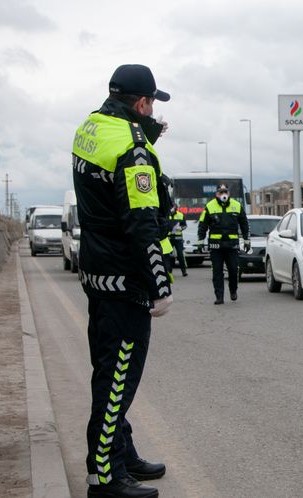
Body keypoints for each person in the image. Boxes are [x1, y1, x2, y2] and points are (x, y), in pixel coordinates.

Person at [72, 64, 172, 498]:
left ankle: (122, 451)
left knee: (109, 370)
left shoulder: (89, 128)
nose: (153, 112)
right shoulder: (133, 149)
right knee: (117, 380)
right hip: (125, 280)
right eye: (151, 104)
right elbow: (140, 222)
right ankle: (105, 476)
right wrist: (158, 285)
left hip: (97, 271)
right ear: (142, 102)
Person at [198, 184, 250, 304]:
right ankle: (219, 296)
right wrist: (200, 242)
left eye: (225, 192)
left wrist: (247, 241)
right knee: (217, 272)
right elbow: (202, 225)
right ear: (216, 194)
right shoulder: (209, 206)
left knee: (233, 270)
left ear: (229, 193)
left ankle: (233, 290)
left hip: (232, 245)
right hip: (216, 247)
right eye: (220, 192)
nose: (223, 195)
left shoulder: (237, 206)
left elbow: (244, 224)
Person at [168, 205, 188, 277]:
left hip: (178, 238)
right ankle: (169, 271)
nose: (172, 209)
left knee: (180, 255)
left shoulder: (180, 215)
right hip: (169, 238)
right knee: (168, 256)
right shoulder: (166, 215)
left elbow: (185, 225)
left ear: (176, 208)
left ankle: (184, 271)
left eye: (174, 207)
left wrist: (180, 228)